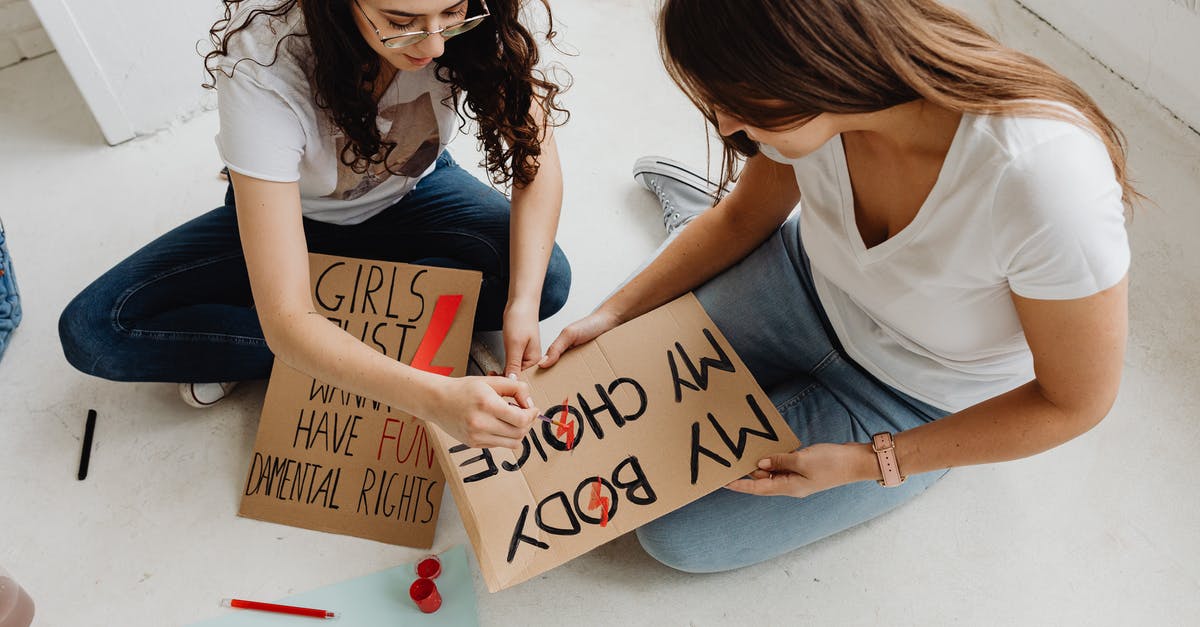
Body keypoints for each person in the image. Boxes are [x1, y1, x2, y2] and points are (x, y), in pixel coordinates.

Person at [540, 0, 1131, 573]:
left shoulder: (1043, 181)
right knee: (576, 408)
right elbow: (747, 216)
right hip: (798, 279)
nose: (726, 126)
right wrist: (616, 313)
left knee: (677, 534)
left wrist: (874, 462)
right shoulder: (806, 108)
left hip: (916, 395)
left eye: (736, 103)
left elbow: (1076, 402)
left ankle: (688, 232)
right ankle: (689, 220)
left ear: (813, 63)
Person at [58, 0, 571, 451]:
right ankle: (355, 337)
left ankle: (334, 342)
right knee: (95, 330)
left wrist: (522, 303)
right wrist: (433, 397)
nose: (434, 45)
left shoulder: (478, 20)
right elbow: (285, 322)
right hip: (297, 216)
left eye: (451, 13)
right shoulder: (263, 63)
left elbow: (537, 160)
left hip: (416, 192)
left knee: (545, 280)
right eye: (402, 21)